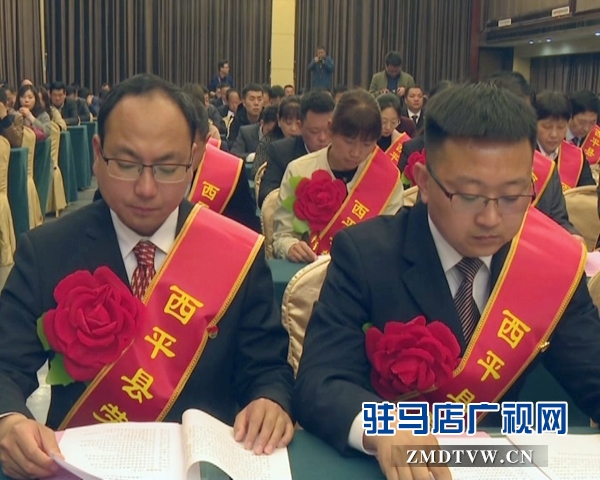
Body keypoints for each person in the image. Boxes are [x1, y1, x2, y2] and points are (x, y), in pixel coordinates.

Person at [294, 82, 600, 480]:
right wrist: (382, 429)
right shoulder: (367, 254)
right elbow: (320, 382)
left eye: (512, 197)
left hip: (494, 466)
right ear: (423, 181)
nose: (491, 219)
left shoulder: (549, 264)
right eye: (468, 196)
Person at [0, 74, 294, 480]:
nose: (146, 188)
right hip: (81, 468)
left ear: (194, 158)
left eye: (168, 167)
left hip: (204, 467)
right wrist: (9, 419)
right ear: (98, 154)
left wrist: (270, 399)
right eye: (126, 164)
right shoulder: (48, 251)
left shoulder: (237, 252)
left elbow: (267, 367)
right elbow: (5, 363)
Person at [273, 89, 404, 263]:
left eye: (367, 144)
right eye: (349, 142)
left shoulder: (387, 177)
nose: (356, 152)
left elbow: (391, 240)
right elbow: (282, 236)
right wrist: (290, 247)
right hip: (309, 270)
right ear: (330, 129)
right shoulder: (299, 170)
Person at [258, 90, 335, 207]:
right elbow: (266, 195)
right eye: (314, 131)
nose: (323, 138)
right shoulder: (281, 151)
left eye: (329, 130)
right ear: (300, 126)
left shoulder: (343, 151)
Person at [534, 90, 594, 190]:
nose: (554, 134)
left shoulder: (578, 157)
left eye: (561, 127)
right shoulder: (523, 155)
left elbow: (587, 194)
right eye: (547, 126)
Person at [252, 97, 301, 177]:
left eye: (298, 123)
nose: (293, 128)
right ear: (279, 120)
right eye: (288, 123)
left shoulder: (309, 143)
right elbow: (257, 171)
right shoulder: (268, 142)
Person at [376, 94, 412, 166]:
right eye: (384, 122)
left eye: (393, 122)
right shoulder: (366, 140)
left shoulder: (403, 140)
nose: (388, 127)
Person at [566, 90, 600, 164]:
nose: (586, 128)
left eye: (592, 122)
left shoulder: (597, 138)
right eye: (582, 122)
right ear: (569, 116)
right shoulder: (554, 136)